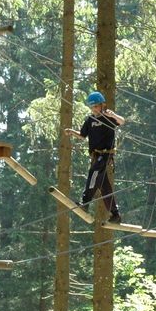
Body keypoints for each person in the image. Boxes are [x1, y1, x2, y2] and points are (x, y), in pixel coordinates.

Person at [66, 91, 125, 224]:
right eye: (92, 107)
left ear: (102, 105)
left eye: (96, 106)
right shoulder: (90, 120)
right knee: (104, 187)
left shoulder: (108, 118)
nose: (94, 109)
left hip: (105, 154)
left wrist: (113, 115)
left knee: (93, 174)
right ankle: (115, 214)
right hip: (96, 155)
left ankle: (85, 202)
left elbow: (122, 122)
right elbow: (82, 135)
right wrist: (72, 132)